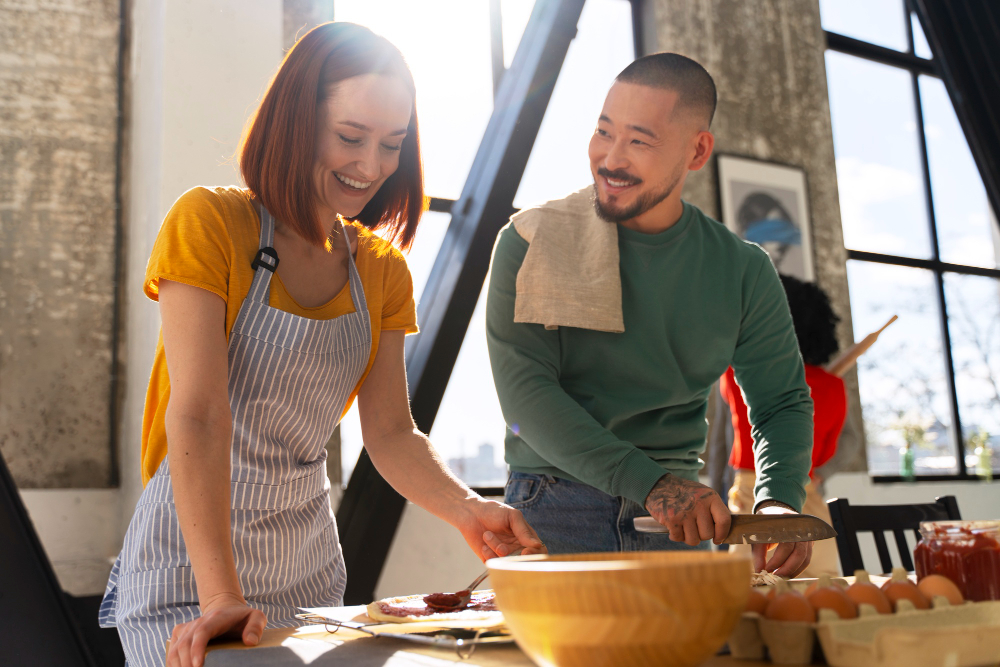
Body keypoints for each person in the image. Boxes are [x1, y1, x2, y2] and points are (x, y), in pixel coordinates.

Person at [99, 23, 544, 667]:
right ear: (296, 122)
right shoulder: (210, 224)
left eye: (392, 144)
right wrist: (221, 594)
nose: (371, 166)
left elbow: (390, 432)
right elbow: (198, 413)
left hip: (304, 571)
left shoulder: (382, 271)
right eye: (350, 137)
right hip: (189, 576)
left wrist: (470, 510)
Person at [486, 52, 814, 577]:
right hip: (554, 508)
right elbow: (525, 395)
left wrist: (778, 499)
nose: (611, 158)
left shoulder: (744, 269)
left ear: (697, 150)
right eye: (602, 131)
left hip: (681, 521)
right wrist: (653, 484)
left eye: (639, 140)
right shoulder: (529, 241)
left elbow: (780, 403)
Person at [722, 274, 846, 577]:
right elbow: (826, 453)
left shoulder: (737, 374)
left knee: (750, 600)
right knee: (821, 601)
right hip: (810, 504)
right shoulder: (833, 387)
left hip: (753, 499)